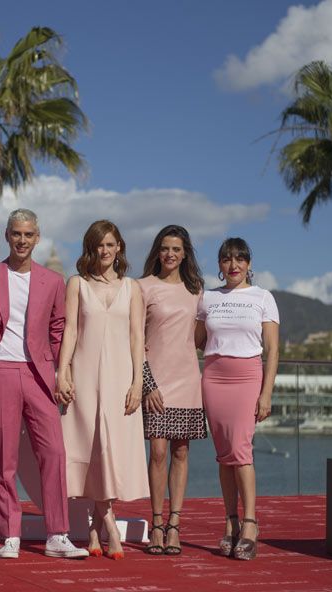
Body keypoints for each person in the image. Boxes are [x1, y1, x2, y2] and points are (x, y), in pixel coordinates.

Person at [0, 208, 88, 560]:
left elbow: (59, 330)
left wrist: (64, 373)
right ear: (7, 235)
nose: (22, 240)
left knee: (54, 453)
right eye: (16, 234)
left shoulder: (52, 281)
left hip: (40, 374)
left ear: (37, 237)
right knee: (5, 459)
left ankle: (57, 534)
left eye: (28, 234)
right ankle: (10, 535)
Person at [56, 220, 149, 560]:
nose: (105, 251)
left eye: (110, 244)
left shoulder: (133, 288)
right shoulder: (77, 284)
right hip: (83, 374)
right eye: (99, 245)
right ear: (91, 249)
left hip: (121, 378)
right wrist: (62, 373)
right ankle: (110, 528)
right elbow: (70, 331)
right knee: (90, 447)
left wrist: (138, 382)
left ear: (120, 247)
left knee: (110, 449)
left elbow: (138, 338)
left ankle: (96, 526)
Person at [195, 237, 279, 561]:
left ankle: (250, 523)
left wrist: (266, 392)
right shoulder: (208, 297)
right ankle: (230, 520)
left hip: (247, 378)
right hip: (213, 378)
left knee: (242, 451)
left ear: (248, 263)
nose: (233, 265)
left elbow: (272, 350)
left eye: (239, 259)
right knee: (224, 455)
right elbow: (198, 341)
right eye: (227, 259)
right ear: (219, 265)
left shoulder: (263, 298)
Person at [138, 225, 207, 556]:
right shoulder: (142, 288)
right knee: (158, 453)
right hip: (155, 383)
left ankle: (175, 525)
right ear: (157, 251)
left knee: (181, 452)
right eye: (165, 248)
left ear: (185, 253)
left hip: (188, 380)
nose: (170, 254)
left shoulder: (197, 290)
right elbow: (134, 342)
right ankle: (155, 525)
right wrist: (147, 384)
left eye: (176, 249)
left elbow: (200, 339)